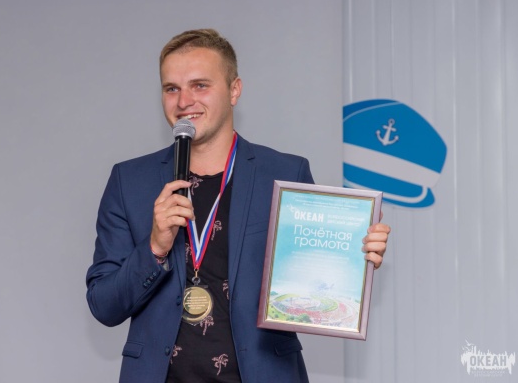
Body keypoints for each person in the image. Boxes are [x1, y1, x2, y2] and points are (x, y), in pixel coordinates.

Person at [86, 28, 390, 383]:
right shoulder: (129, 181)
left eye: (200, 85)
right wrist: (154, 247)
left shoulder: (284, 173)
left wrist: (354, 253)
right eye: (171, 88)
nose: (184, 101)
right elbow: (104, 305)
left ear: (234, 90)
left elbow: (313, 279)